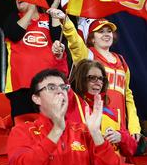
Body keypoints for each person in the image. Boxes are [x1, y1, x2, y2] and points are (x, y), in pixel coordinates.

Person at [7, 69, 121, 165]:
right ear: (36, 98)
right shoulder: (22, 131)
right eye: (51, 88)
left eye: (63, 87)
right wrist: (57, 130)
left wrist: (96, 134)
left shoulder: (83, 131)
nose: (60, 92)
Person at [48, 9, 142, 142]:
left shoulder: (121, 61)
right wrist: (65, 20)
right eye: (101, 32)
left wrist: (134, 126)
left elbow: (128, 96)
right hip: (93, 124)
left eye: (109, 31)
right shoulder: (88, 56)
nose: (106, 35)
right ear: (92, 38)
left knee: (117, 162)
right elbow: (75, 42)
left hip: (118, 129)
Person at [3, 0, 67, 122]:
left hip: (49, 87)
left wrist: (53, 14)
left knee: (51, 128)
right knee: (25, 132)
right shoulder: (14, 18)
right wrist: (32, 9)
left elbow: (59, 39)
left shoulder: (47, 19)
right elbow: (14, 34)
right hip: (21, 87)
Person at [67, 60, 137, 158]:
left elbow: (132, 148)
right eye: (92, 78)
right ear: (80, 79)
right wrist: (59, 59)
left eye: (101, 79)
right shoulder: (70, 103)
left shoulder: (109, 112)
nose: (98, 82)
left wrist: (121, 137)